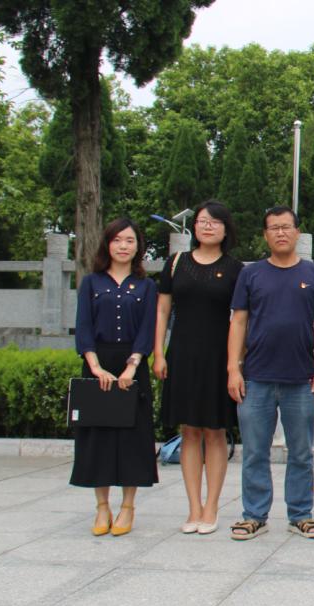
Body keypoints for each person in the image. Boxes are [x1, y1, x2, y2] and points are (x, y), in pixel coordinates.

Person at [227, 206, 314, 541]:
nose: (281, 233)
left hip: (301, 379)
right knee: (254, 453)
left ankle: (300, 514)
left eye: (286, 227)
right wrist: (233, 369)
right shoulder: (251, 274)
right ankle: (254, 515)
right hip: (256, 377)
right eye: (274, 228)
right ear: (265, 234)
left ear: (297, 232)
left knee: (301, 453)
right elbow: (238, 321)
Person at [153, 201, 243, 535]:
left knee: (215, 431)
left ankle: (211, 507)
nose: (208, 226)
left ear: (225, 229)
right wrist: (158, 353)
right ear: (194, 227)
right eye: (203, 221)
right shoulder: (177, 262)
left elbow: (241, 319)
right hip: (182, 355)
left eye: (215, 222)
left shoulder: (236, 269)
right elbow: (162, 311)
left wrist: (235, 364)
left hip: (218, 357)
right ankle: (193, 508)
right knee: (189, 430)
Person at [73, 217, 158, 536]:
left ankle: (127, 507)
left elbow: (148, 329)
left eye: (130, 241)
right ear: (107, 244)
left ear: (138, 247)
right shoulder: (92, 283)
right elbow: (83, 327)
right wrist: (95, 367)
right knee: (99, 437)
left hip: (132, 366)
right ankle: (102, 507)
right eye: (117, 240)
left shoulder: (147, 286)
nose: (123, 246)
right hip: (98, 364)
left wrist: (132, 366)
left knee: (132, 438)